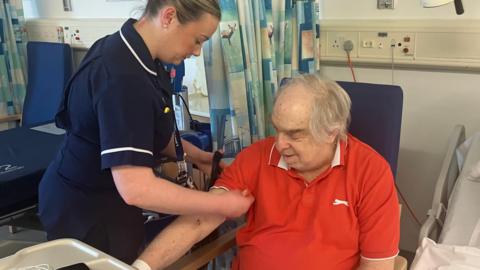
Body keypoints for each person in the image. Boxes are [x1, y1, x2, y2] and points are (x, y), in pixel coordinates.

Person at [38, 0, 254, 264]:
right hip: (88, 209)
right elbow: (136, 189)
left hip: (108, 198)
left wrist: (198, 156)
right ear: (169, 17)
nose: (197, 52)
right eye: (198, 40)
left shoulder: (137, 53)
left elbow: (145, 130)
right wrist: (221, 205)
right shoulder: (123, 77)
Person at [135, 74, 400, 270]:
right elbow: (200, 220)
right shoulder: (257, 157)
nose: (280, 144)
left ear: (332, 132)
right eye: (277, 129)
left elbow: (377, 265)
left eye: (295, 134)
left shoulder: (370, 172)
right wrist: (141, 267)